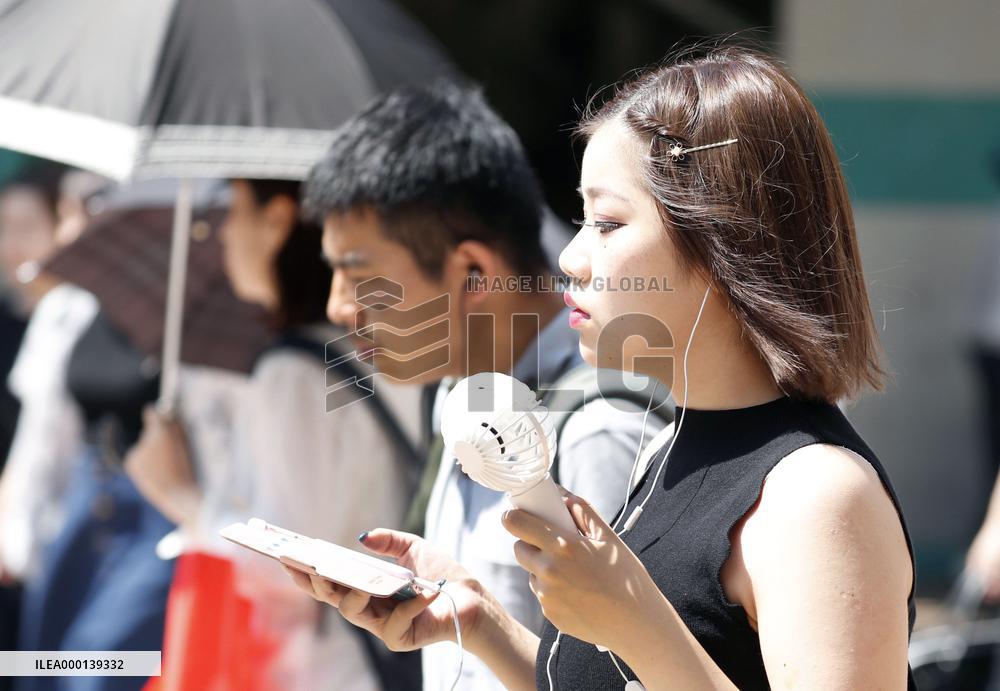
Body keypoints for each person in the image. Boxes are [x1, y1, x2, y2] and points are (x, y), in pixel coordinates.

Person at [286, 46, 918, 690]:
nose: (571, 257)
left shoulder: (817, 495)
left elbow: (651, 651)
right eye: (582, 220)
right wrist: (479, 623)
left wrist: (636, 622)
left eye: (609, 223)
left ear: (722, 241)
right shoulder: (670, 451)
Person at [301, 81, 666, 690]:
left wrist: (483, 626)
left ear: (472, 272)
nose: (338, 306)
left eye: (359, 274)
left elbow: (621, 677)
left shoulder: (597, 425)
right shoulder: (457, 395)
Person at [126, 179, 423, 691]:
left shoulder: (293, 374)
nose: (224, 233)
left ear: (277, 220)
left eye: (235, 210)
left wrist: (183, 498)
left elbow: (289, 567)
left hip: (324, 669)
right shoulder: (357, 348)